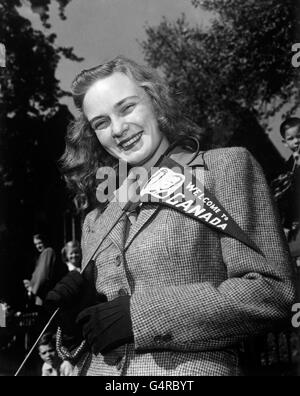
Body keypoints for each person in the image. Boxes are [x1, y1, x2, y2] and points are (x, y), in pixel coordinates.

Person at [46, 56, 295, 376]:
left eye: (126, 107)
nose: (119, 129)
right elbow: (84, 345)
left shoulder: (224, 169)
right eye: (102, 123)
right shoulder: (99, 218)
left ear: (156, 101)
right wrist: (72, 325)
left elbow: (272, 293)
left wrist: (140, 316)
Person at [272, 118, 300, 261]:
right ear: (285, 143)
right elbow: (290, 197)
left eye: (299, 136)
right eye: (291, 138)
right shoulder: (289, 166)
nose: (297, 141)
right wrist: (287, 225)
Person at [23, 234, 57, 306]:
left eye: (40, 243)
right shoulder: (42, 255)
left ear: (45, 241)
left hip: (43, 294)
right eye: (36, 244)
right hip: (40, 294)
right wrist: (31, 283)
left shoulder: (48, 251)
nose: (38, 246)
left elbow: (43, 275)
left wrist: (33, 291)